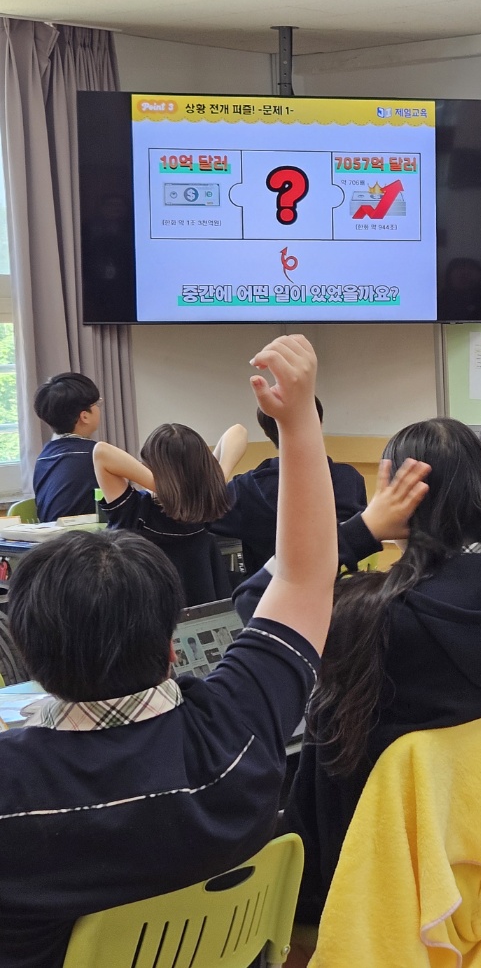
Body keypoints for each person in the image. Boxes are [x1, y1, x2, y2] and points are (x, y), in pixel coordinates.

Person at [0, 334, 337, 968]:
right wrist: (298, 420)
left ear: (27, 653)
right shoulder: (239, 726)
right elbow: (304, 578)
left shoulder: (13, 790)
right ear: (172, 646)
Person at [246, 417, 481, 925]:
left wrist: (364, 529)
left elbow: (257, 606)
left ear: (402, 499)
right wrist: (477, 516)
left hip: (352, 866)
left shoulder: (378, 617)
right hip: (466, 856)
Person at [212, 398, 369, 574]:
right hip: (337, 589)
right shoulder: (348, 480)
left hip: (267, 588)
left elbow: (202, 516)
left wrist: (221, 471)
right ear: (319, 423)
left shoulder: (244, 489)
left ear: (267, 433)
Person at [93, 423, 239, 605]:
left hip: (147, 615)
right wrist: (214, 482)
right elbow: (238, 431)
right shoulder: (203, 509)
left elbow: (101, 453)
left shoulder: (133, 511)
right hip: (201, 615)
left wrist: (168, 488)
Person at [32, 371, 101, 522]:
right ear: (84, 416)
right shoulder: (97, 452)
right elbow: (150, 481)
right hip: (86, 536)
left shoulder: (44, 456)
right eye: (97, 404)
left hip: (51, 536)